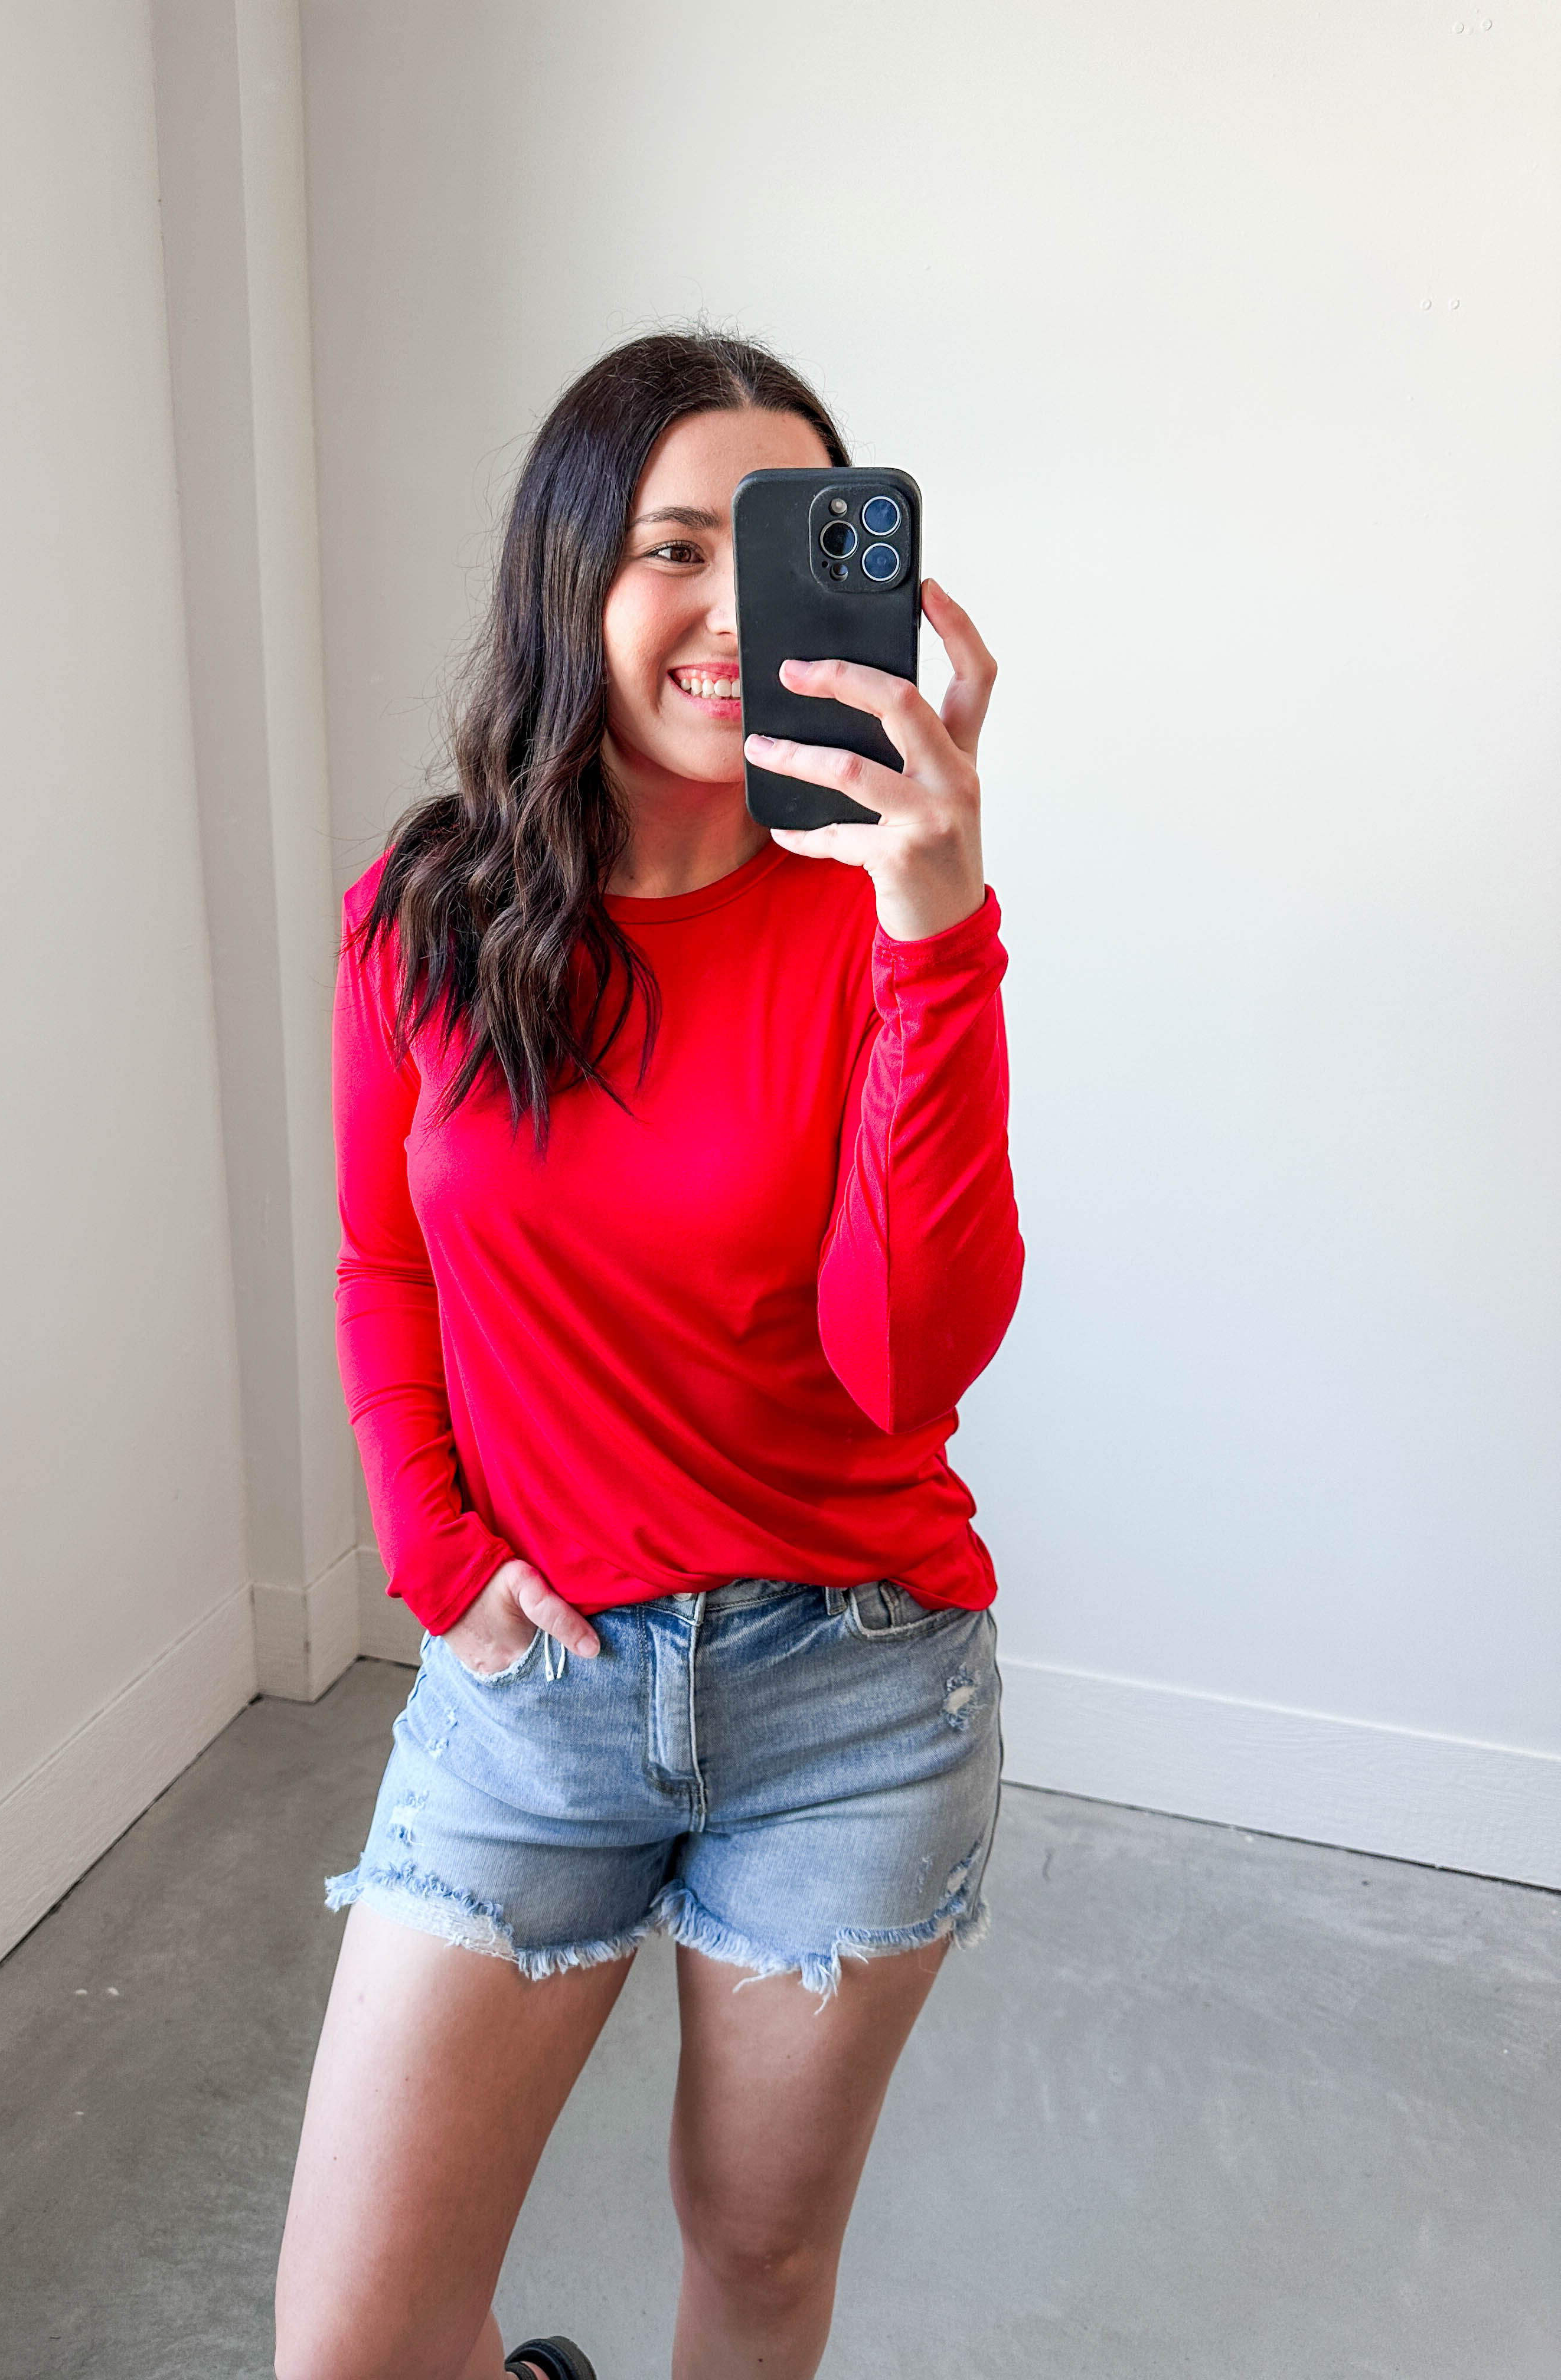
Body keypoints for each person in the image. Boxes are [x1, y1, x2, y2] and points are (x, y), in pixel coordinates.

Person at [274, 331, 1022, 2380]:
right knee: (354, 2346)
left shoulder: (880, 927)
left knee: (757, 2263)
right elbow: (382, 1263)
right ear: (574, 572)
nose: (727, 614)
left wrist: (938, 930)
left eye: (775, 551)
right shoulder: (421, 916)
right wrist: (434, 1558)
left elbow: (909, 1364)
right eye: (674, 547)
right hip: (538, 1690)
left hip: (852, 1687)